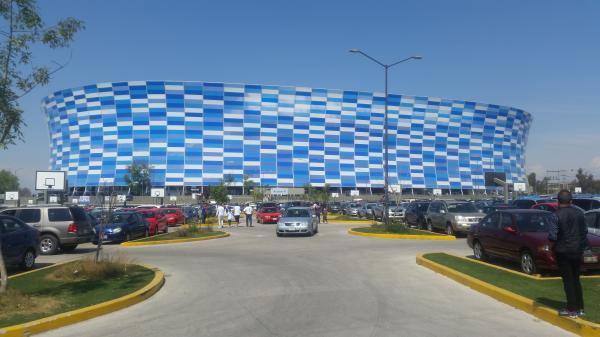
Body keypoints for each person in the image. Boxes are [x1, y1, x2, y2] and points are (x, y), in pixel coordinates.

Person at [549, 189, 588, 318]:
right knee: (576, 279)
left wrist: (550, 249)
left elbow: (553, 236)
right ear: (571, 201)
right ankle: (580, 308)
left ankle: (571, 309)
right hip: (577, 250)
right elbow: (585, 231)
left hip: (563, 251)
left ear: (558, 201)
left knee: (568, 281)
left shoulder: (555, 215)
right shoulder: (580, 213)